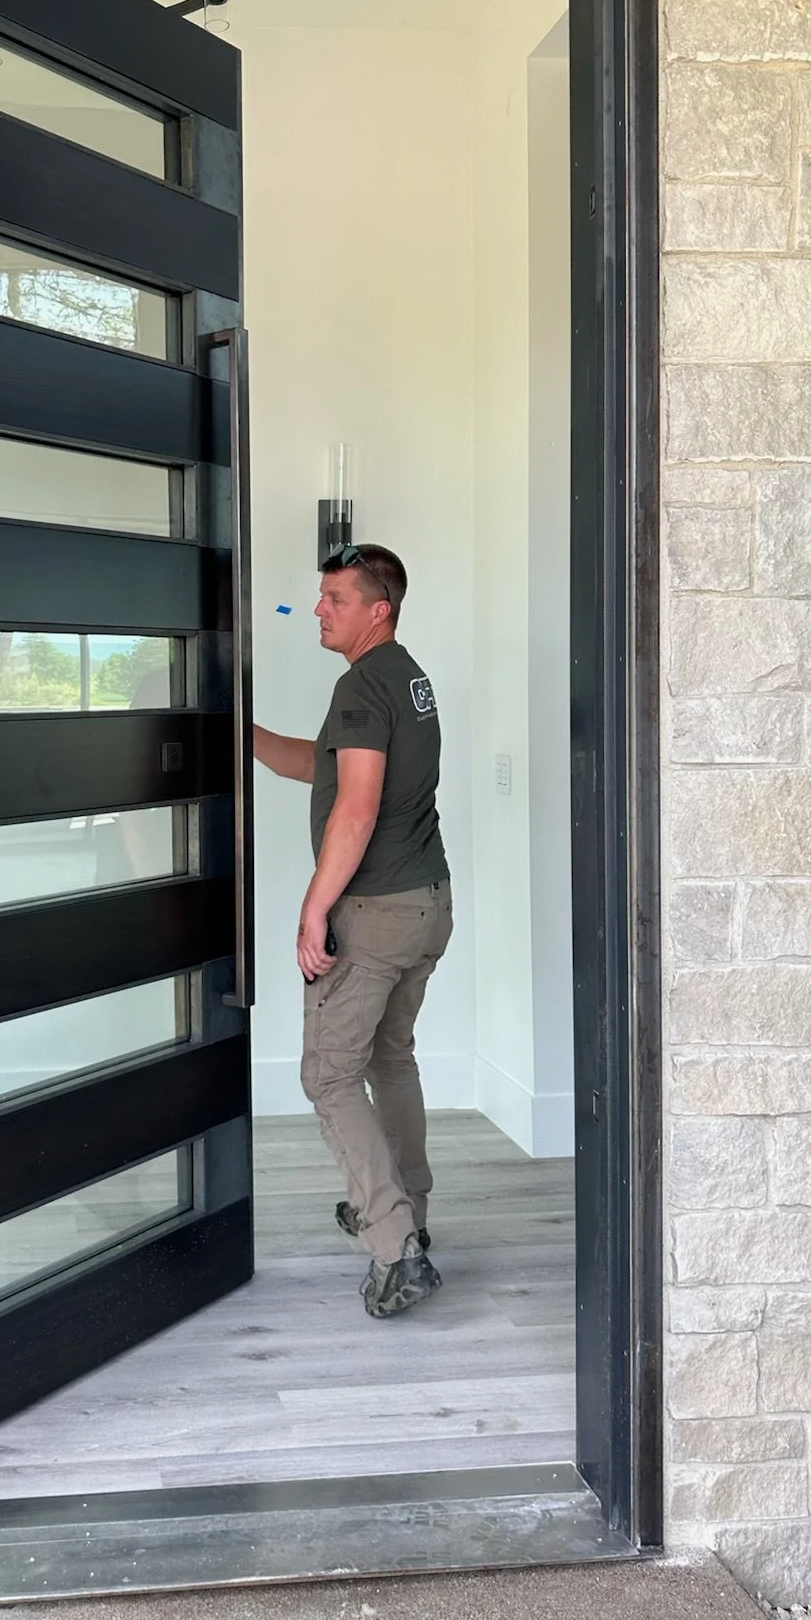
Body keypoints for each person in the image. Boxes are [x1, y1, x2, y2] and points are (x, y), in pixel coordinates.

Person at [253, 543, 452, 1319]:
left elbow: (357, 806)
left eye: (337, 598)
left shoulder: (364, 685)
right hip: (425, 903)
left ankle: (394, 1246)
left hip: (372, 913)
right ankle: (407, 1213)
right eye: (320, 595)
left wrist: (313, 905)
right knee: (389, 1059)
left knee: (329, 1075)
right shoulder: (406, 675)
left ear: (380, 609)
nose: (319, 609)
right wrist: (248, 735)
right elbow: (329, 768)